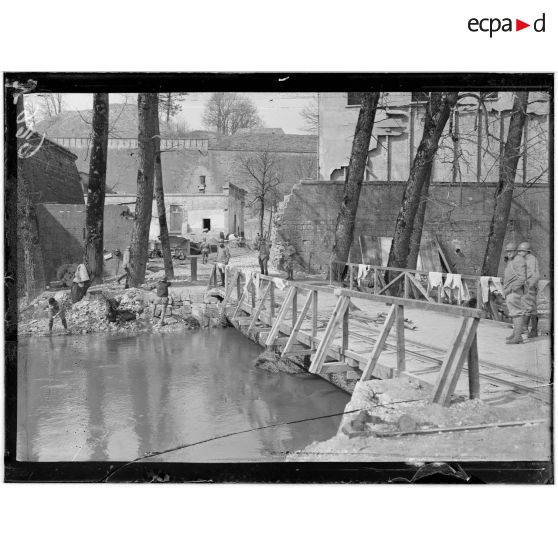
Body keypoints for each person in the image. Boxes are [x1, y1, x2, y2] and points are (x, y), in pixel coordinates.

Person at [502, 242, 528, 344]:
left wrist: (512, 288)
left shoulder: (519, 260)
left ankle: (517, 338)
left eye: (511, 251)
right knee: (514, 313)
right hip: (510, 290)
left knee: (517, 313)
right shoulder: (513, 260)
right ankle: (516, 334)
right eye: (507, 251)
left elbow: (522, 278)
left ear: (515, 251)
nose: (509, 253)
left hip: (514, 291)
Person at [517, 241, 540, 338]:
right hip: (530, 285)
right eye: (519, 251)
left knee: (527, 306)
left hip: (529, 285)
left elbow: (532, 274)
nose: (519, 253)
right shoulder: (526, 259)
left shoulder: (531, 259)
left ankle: (524, 328)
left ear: (527, 251)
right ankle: (534, 330)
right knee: (532, 308)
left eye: (521, 251)